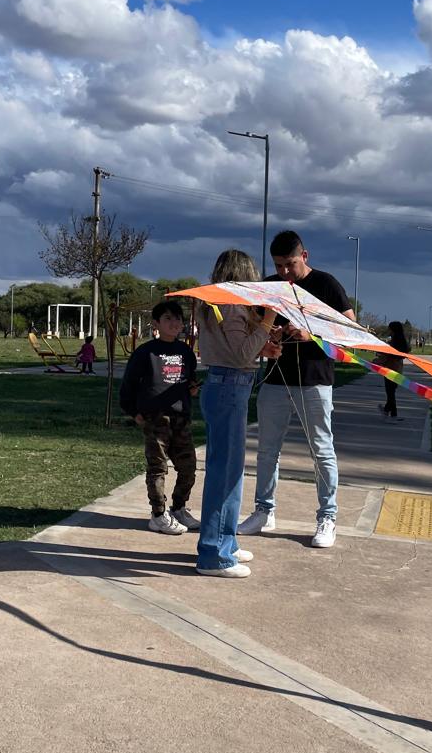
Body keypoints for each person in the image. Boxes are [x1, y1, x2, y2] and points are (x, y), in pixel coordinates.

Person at [238, 230, 354, 550]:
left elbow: (349, 329)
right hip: (276, 379)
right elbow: (252, 326)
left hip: (315, 380)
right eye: (279, 266)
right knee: (266, 450)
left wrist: (311, 333)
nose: (285, 272)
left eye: (290, 264)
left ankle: (327, 517)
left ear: (305, 256)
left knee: (321, 450)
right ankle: (264, 511)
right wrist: (269, 336)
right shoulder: (270, 285)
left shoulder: (327, 284)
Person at [196, 249, 280, 579]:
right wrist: (268, 321)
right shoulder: (229, 304)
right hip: (229, 386)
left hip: (230, 385)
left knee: (230, 470)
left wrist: (264, 344)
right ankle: (214, 554)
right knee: (225, 473)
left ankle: (224, 542)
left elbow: (239, 349)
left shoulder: (219, 304)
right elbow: (240, 352)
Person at [120, 299, 199, 535]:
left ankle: (179, 508)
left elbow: (189, 381)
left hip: (180, 417)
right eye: (167, 319)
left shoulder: (186, 351)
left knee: (188, 467)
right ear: (156, 323)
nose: (174, 323)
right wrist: (134, 412)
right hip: (155, 418)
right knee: (158, 468)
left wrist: (192, 390)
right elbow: (129, 386)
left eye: (177, 318)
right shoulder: (145, 352)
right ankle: (158, 514)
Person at [377, 321, 411, 419]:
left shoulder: (392, 344)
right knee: (391, 392)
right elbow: (406, 351)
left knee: (390, 393)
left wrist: (377, 361)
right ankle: (388, 411)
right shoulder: (403, 343)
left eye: (389, 328)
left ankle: (391, 413)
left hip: (389, 370)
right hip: (398, 370)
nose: (388, 330)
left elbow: (385, 356)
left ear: (392, 330)